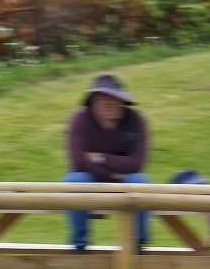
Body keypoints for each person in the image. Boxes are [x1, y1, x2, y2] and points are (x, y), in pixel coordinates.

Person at [63, 72, 150, 250]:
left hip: (124, 179)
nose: (108, 102)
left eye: (113, 97)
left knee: (141, 182)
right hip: (91, 177)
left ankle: (137, 245)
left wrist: (100, 158)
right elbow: (78, 162)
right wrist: (112, 172)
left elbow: (137, 163)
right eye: (102, 97)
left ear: (122, 101)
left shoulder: (136, 120)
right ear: (92, 103)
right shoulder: (79, 119)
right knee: (75, 181)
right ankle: (79, 245)